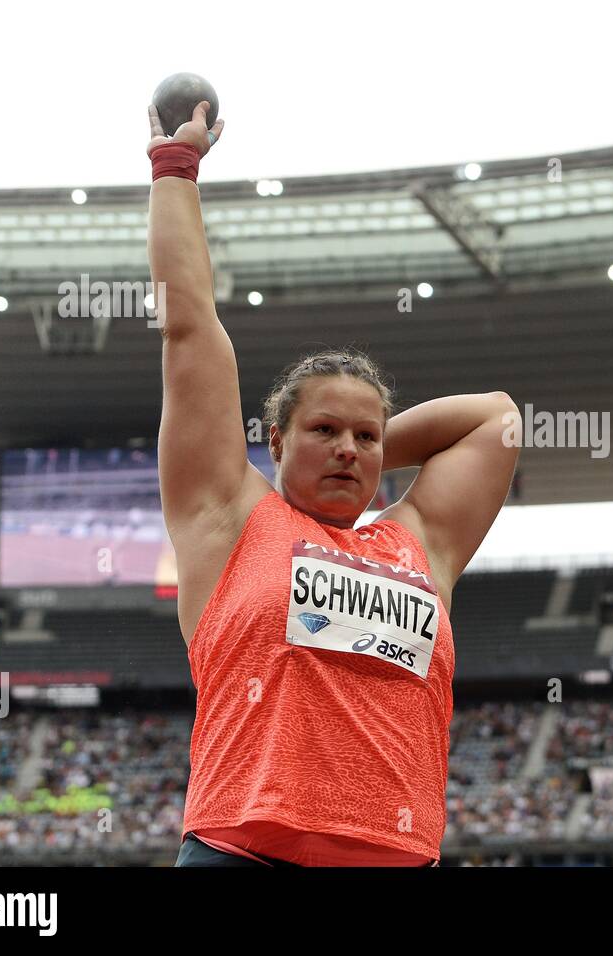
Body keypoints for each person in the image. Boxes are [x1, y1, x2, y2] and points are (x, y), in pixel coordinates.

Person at [147, 101, 519, 866]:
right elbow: (189, 324)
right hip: (241, 853)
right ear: (274, 440)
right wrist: (175, 169)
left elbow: (498, 421)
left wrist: (367, 447)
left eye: (366, 436)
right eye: (324, 432)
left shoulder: (420, 544)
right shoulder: (231, 515)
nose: (349, 450)